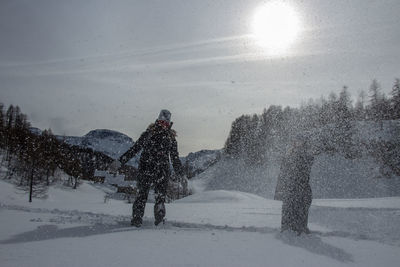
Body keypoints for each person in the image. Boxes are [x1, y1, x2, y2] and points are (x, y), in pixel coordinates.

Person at [110, 109, 184, 227]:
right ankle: (136, 220)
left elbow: (174, 158)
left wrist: (180, 173)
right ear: (157, 120)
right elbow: (134, 150)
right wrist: (119, 162)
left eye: (165, 123)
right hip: (146, 169)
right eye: (161, 121)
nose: (163, 124)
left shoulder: (171, 138)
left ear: (169, 124)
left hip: (162, 172)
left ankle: (159, 222)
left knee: (160, 198)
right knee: (141, 196)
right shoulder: (148, 134)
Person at [278, 133, 315, 235]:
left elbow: (305, 167)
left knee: (301, 208)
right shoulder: (289, 155)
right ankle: (288, 228)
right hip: (291, 187)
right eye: (296, 141)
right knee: (289, 208)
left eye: (300, 141)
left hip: (301, 187)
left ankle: (300, 228)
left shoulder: (306, 155)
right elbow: (284, 171)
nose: (298, 143)